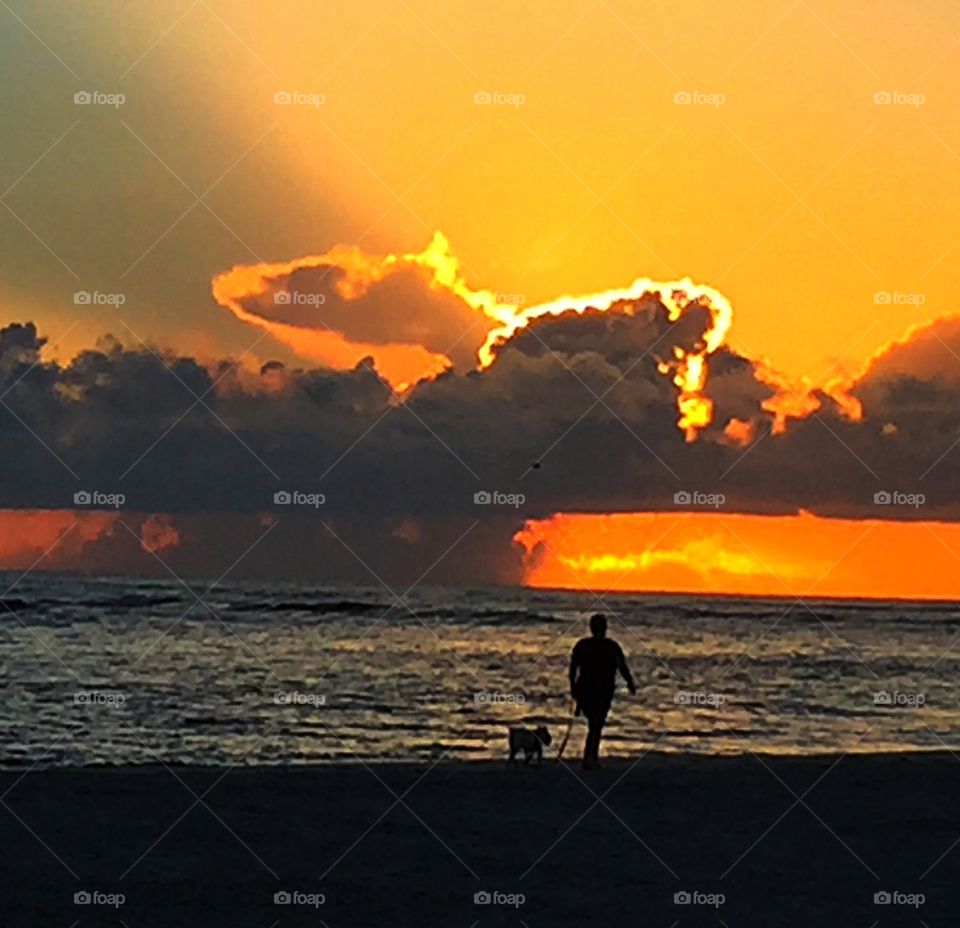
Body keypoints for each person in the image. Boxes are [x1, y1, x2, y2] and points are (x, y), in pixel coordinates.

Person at [569, 613, 636, 769]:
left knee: (595, 724)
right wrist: (630, 682)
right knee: (596, 724)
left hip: (590, 689)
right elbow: (622, 667)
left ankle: (590, 757)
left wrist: (573, 687)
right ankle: (590, 758)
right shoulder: (609, 646)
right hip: (599, 689)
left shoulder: (584, 645)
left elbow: (573, 668)